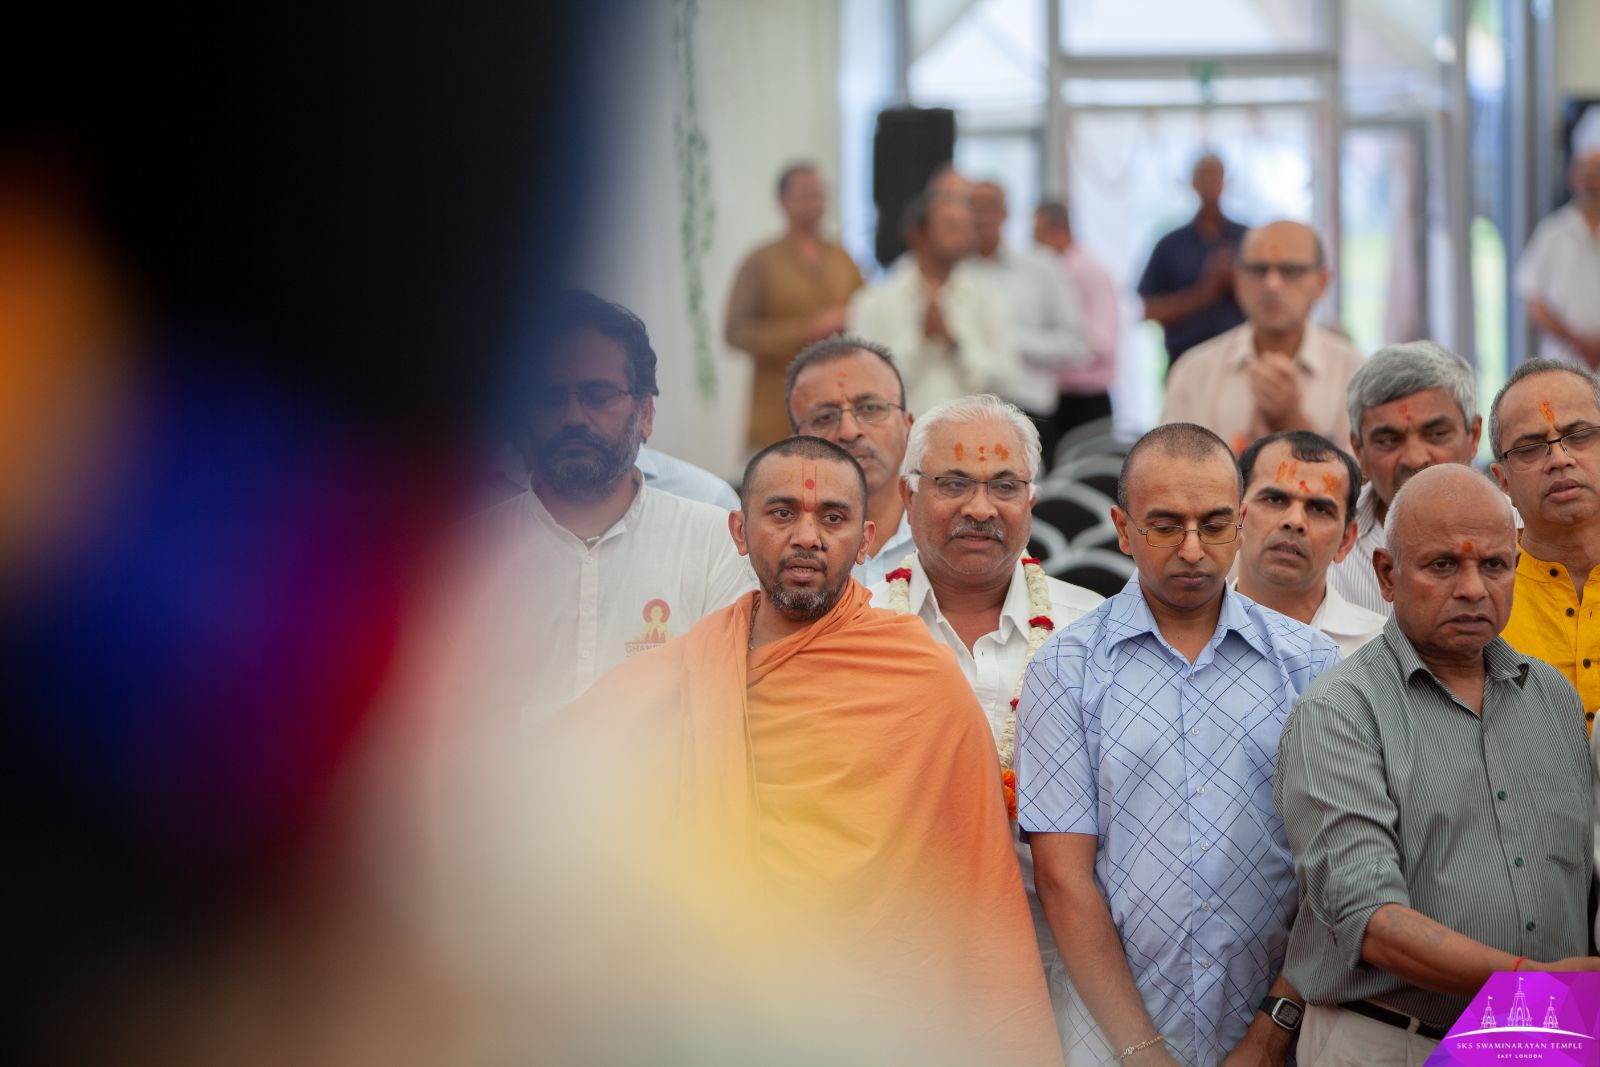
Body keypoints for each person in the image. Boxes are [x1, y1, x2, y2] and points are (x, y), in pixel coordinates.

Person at [559, 434, 1064, 1065]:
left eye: (832, 518)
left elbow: (971, 887)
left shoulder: (919, 679)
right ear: (738, 531)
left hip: (871, 1018)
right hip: (706, 1011)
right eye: (782, 514)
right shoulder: (684, 672)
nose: (807, 536)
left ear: (866, 539)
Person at [1018, 422, 1341, 1067]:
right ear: (1122, 528)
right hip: (1111, 1041)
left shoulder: (1309, 664)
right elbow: (1063, 879)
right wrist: (1142, 1052)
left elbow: (1332, 872)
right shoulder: (1067, 669)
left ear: (1241, 523)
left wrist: (1268, 1038)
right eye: (1165, 527)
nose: (1193, 549)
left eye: (1214, 525)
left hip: (1280, 1035)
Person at [1275, 464, 1599, 1064]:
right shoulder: (1341, 711)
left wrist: (1547, 995)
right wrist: (1528, 980)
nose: (1474, 588)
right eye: (1443, 565)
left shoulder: (1552, 699)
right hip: (1395, 1040)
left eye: (1494, 565)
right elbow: (1369, 919)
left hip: (1548, 1032)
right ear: (1386, 575)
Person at [868, 394, 1103, 1042]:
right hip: (885, 965)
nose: (979, 508)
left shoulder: (1093, 632)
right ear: (908, 496)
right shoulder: (856, 623)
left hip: (1052, 963)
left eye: (1003, 486)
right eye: (953, 484)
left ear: (1031, 500)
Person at [467, 291, 754, 711]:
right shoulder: (463, 554)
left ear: (646, 414)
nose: (573, 418)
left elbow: (727, 703)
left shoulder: (714, 542)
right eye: (550, 398)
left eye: (598, 396)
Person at [1160, 221, 1364, 455]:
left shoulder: (1354, 374)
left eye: (1291, 271)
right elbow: (1169, 470)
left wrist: (1292, 420)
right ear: (1238, 278)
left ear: (1322, 282)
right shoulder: (1193, 373)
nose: (1272, 284)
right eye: (1258, 270)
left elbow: (1365, 475)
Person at [1327, 340, 1482, 617]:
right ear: (1359, 450)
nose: (1415, 458)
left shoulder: (1524, 533)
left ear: (1474, 436)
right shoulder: (1325, 545)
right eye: (1389, 440)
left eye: (1437, 435)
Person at [1489, 358, 1600, 731]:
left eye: (1580, 435)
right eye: (1531, 447)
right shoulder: (1481, 598)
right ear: (1502, 480)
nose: (1559, 459)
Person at [724, 161, 864, 449]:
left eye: (819, 193)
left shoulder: (843, 258)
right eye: (804, 193)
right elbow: (735, 332)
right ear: (782, 201)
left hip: (836, 406)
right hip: (777, 408)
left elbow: (867, 312)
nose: (814, 201)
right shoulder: (762, 260)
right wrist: (804, 332)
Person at [848, 191, 1015, 415]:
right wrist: (920, 340)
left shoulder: (987, 299)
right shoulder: (874, 302)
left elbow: (1008, 380)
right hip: (902, 429)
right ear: (918, 234)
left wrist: (956, 344)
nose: (964, 236)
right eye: (951, 226)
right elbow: (864, 380)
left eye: (967, 227)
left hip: (971, 428)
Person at [1236, 431, 1385, 656]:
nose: (1295, 521)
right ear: (1234, 518)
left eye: (1319, 509)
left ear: (1346, 540)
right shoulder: (1184, 634)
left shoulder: (1383, 652)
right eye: (1275, 500)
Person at [785, 335, 917, 584]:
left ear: (908, 426)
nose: (849, 431)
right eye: (824, 418)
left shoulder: (947, 533)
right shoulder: (776, 550)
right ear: (796, 446)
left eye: (870, 408)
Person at [965, 181, 1088, 422]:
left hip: (1030, 410)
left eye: (990, 207)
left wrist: (1007, 339)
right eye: (974, 207)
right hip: (967, 411)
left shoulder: (1041, 268)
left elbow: (1076, 345)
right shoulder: (954, 274)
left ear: (1005, 212)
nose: (982, 217)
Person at [1137, 154, 1248, 365]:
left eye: (1216, 178)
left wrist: (1236, 283)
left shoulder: (1247, 240)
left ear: (1225, 182)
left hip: (1241, 361)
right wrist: (1204, 292)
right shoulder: (1170, 245)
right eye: (1204, 178)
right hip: (1184, 359)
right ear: (1194, 183)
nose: (1211, 185)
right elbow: (1146, 309)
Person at [1034, 198, 1122, 465]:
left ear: (1059, 232)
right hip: (1057, 397)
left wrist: (1050, 350)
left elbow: (1102, 342)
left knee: (1089, 474)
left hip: (1087, 400)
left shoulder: (1090, 273)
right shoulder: (1051, 272)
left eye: (1037, 235)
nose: (1034, 244)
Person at [1515, 150, 1600, 369]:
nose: (1592, 183)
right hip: (1562, 364)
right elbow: (1534, 302)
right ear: (1573, 177)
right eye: (1587, 174)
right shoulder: (1551, 233)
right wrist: (1577, 342)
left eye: (1597, 175)